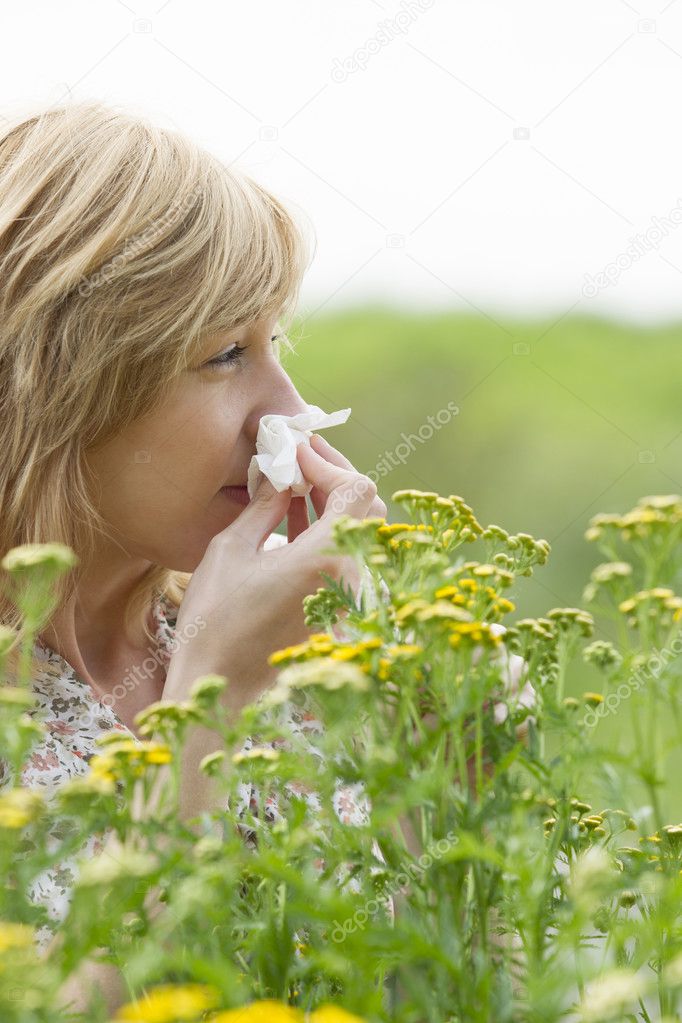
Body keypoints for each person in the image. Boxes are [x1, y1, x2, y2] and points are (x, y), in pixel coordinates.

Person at [0, 99, 389, 1013]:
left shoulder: (301, 653)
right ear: (63, 387)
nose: (286, 409)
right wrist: (211, 704)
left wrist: (431, 721)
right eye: (225, 355)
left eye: (275, 343)